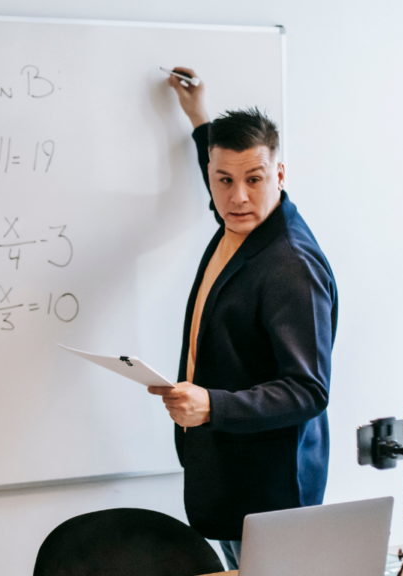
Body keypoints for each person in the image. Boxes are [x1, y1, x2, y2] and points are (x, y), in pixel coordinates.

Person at [148, 68, 338, 570]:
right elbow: (224, 168)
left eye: (254, 180)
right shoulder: (241, 220)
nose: (237, 198)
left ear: (279, 175)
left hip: (269, 491)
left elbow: (308, 390)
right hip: (229, 473)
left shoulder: (291, 266)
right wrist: (199, 119)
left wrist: (212, 405)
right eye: (223, 180)